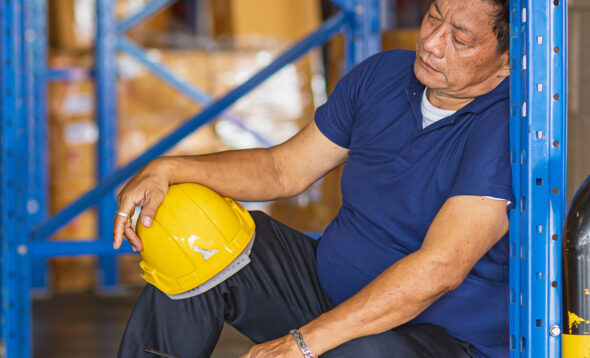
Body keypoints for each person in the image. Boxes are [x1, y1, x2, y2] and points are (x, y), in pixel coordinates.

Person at [112, 0, 513, 357]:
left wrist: (305, 341)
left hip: (433, 338)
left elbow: (440, 268)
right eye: (433, 19)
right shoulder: (382, 75)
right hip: (328, 297)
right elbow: (282, 170)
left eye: (460, 40)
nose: (432, 43)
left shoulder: (506, 125)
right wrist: (168, 169)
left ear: (507, 57)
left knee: (368, 351)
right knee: (193, 240)